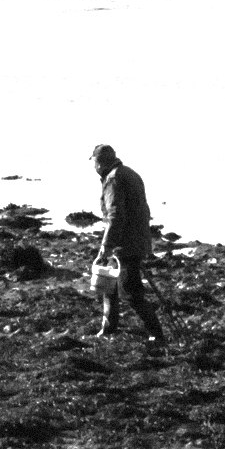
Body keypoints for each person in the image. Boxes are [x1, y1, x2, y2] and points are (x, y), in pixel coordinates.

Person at [91, 143, 165, 343]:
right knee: (110, 288)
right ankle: (108, 330)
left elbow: (115, 216)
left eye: (94, 162)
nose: (94, 166)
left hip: (125, 245)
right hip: (136, 239)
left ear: (99, 163)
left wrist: (106, 247)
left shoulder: (113, 179)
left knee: (131, 293)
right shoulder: (129, 173)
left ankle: (156, 334)